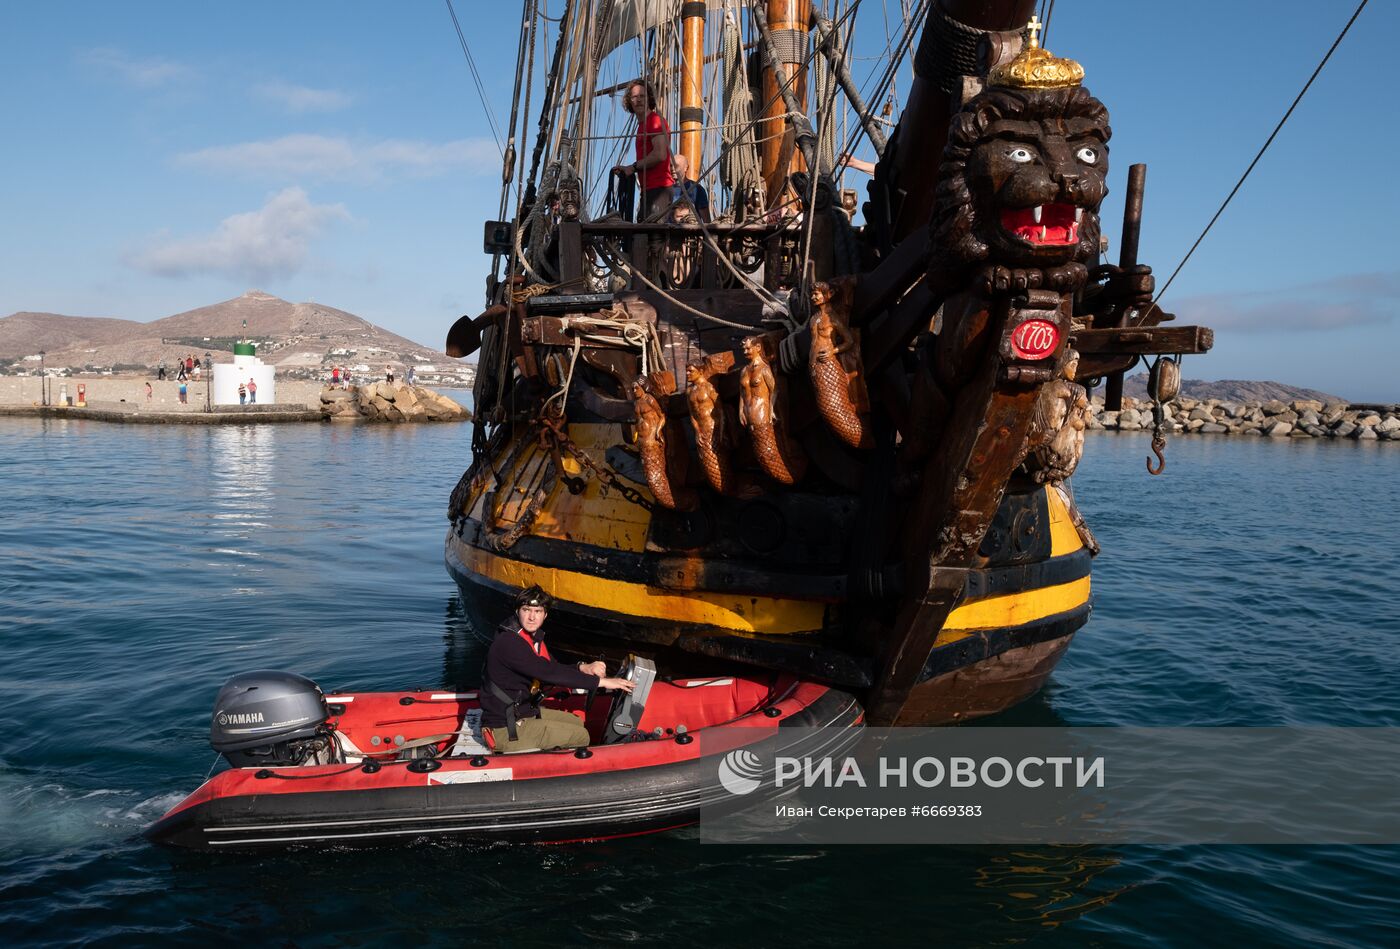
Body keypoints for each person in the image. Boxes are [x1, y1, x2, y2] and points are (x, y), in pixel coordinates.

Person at [480, 585, 634, 752]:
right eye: (526, 610)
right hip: (504, 729)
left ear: (545, 615)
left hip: (523, 713)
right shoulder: (510, 643)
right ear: (518, 612)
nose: (532, 617)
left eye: (537, 611)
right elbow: (547, 673)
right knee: (581, 736)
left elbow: (552, 667)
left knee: (576, 722)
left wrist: (582, 667)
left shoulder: (531, 639)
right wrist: (600, 682)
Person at [611, 80, 674, 221]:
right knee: (642, 235)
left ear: (649, 98)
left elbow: (660, 155)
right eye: (634, 97)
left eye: (642, 96)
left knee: (652, 238)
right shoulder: (642, 126)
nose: (638, 100)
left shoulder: (655, 121)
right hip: (648, 190)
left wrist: (632, 168)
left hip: (659, 189)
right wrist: (627, 169)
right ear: (629, 101)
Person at [669, 154, 710, 223]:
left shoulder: (697, 189)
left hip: (690, 231)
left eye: (676, 166)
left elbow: (706, 221)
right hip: (668, 231)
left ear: (686, 168)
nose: (673, 168)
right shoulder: (665, 190)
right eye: (671, 165)